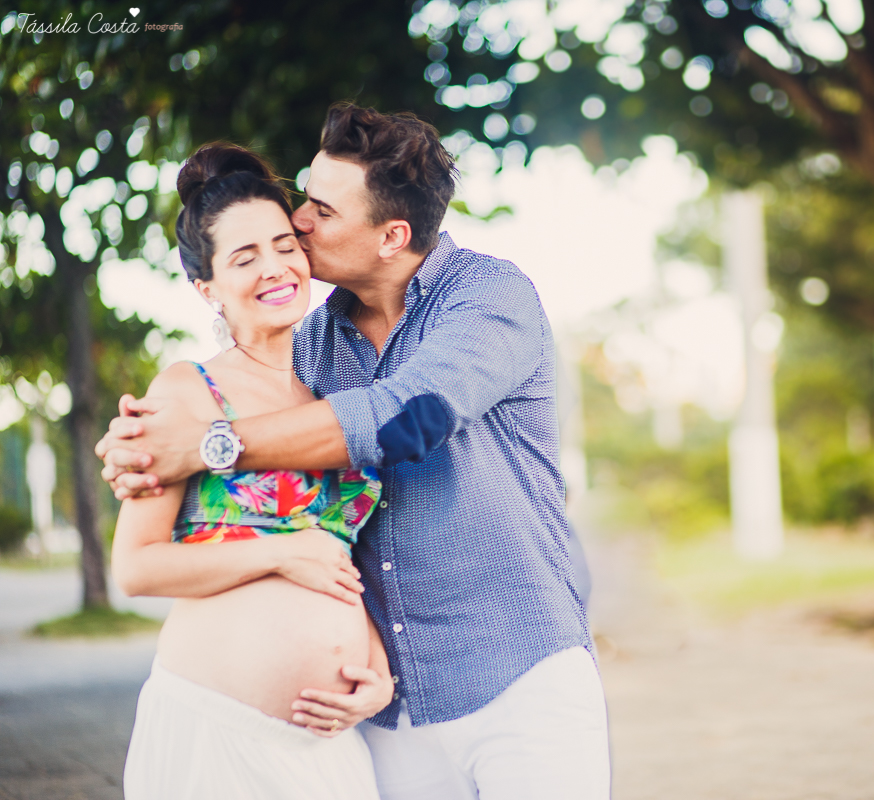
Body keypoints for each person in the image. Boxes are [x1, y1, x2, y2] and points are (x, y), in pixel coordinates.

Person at [97, 103, 610, 800]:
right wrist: (137, 445)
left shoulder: (490, 297)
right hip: (385, 718)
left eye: (319, 211)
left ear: (391, 235)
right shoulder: (309, 349)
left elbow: (406, 419)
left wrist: (207, 447)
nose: (299, 224)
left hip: (517, 678)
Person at [111, 143, 391, 800]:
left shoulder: (330, 396)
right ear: (206, 285)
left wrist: (375, 669)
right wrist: (280, 552)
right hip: (215, 735)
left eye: (283, 245)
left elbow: (344, 555)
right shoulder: (187, 391)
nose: (275, 267)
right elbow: (137, 566)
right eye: (245, 257)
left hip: (328, 752)